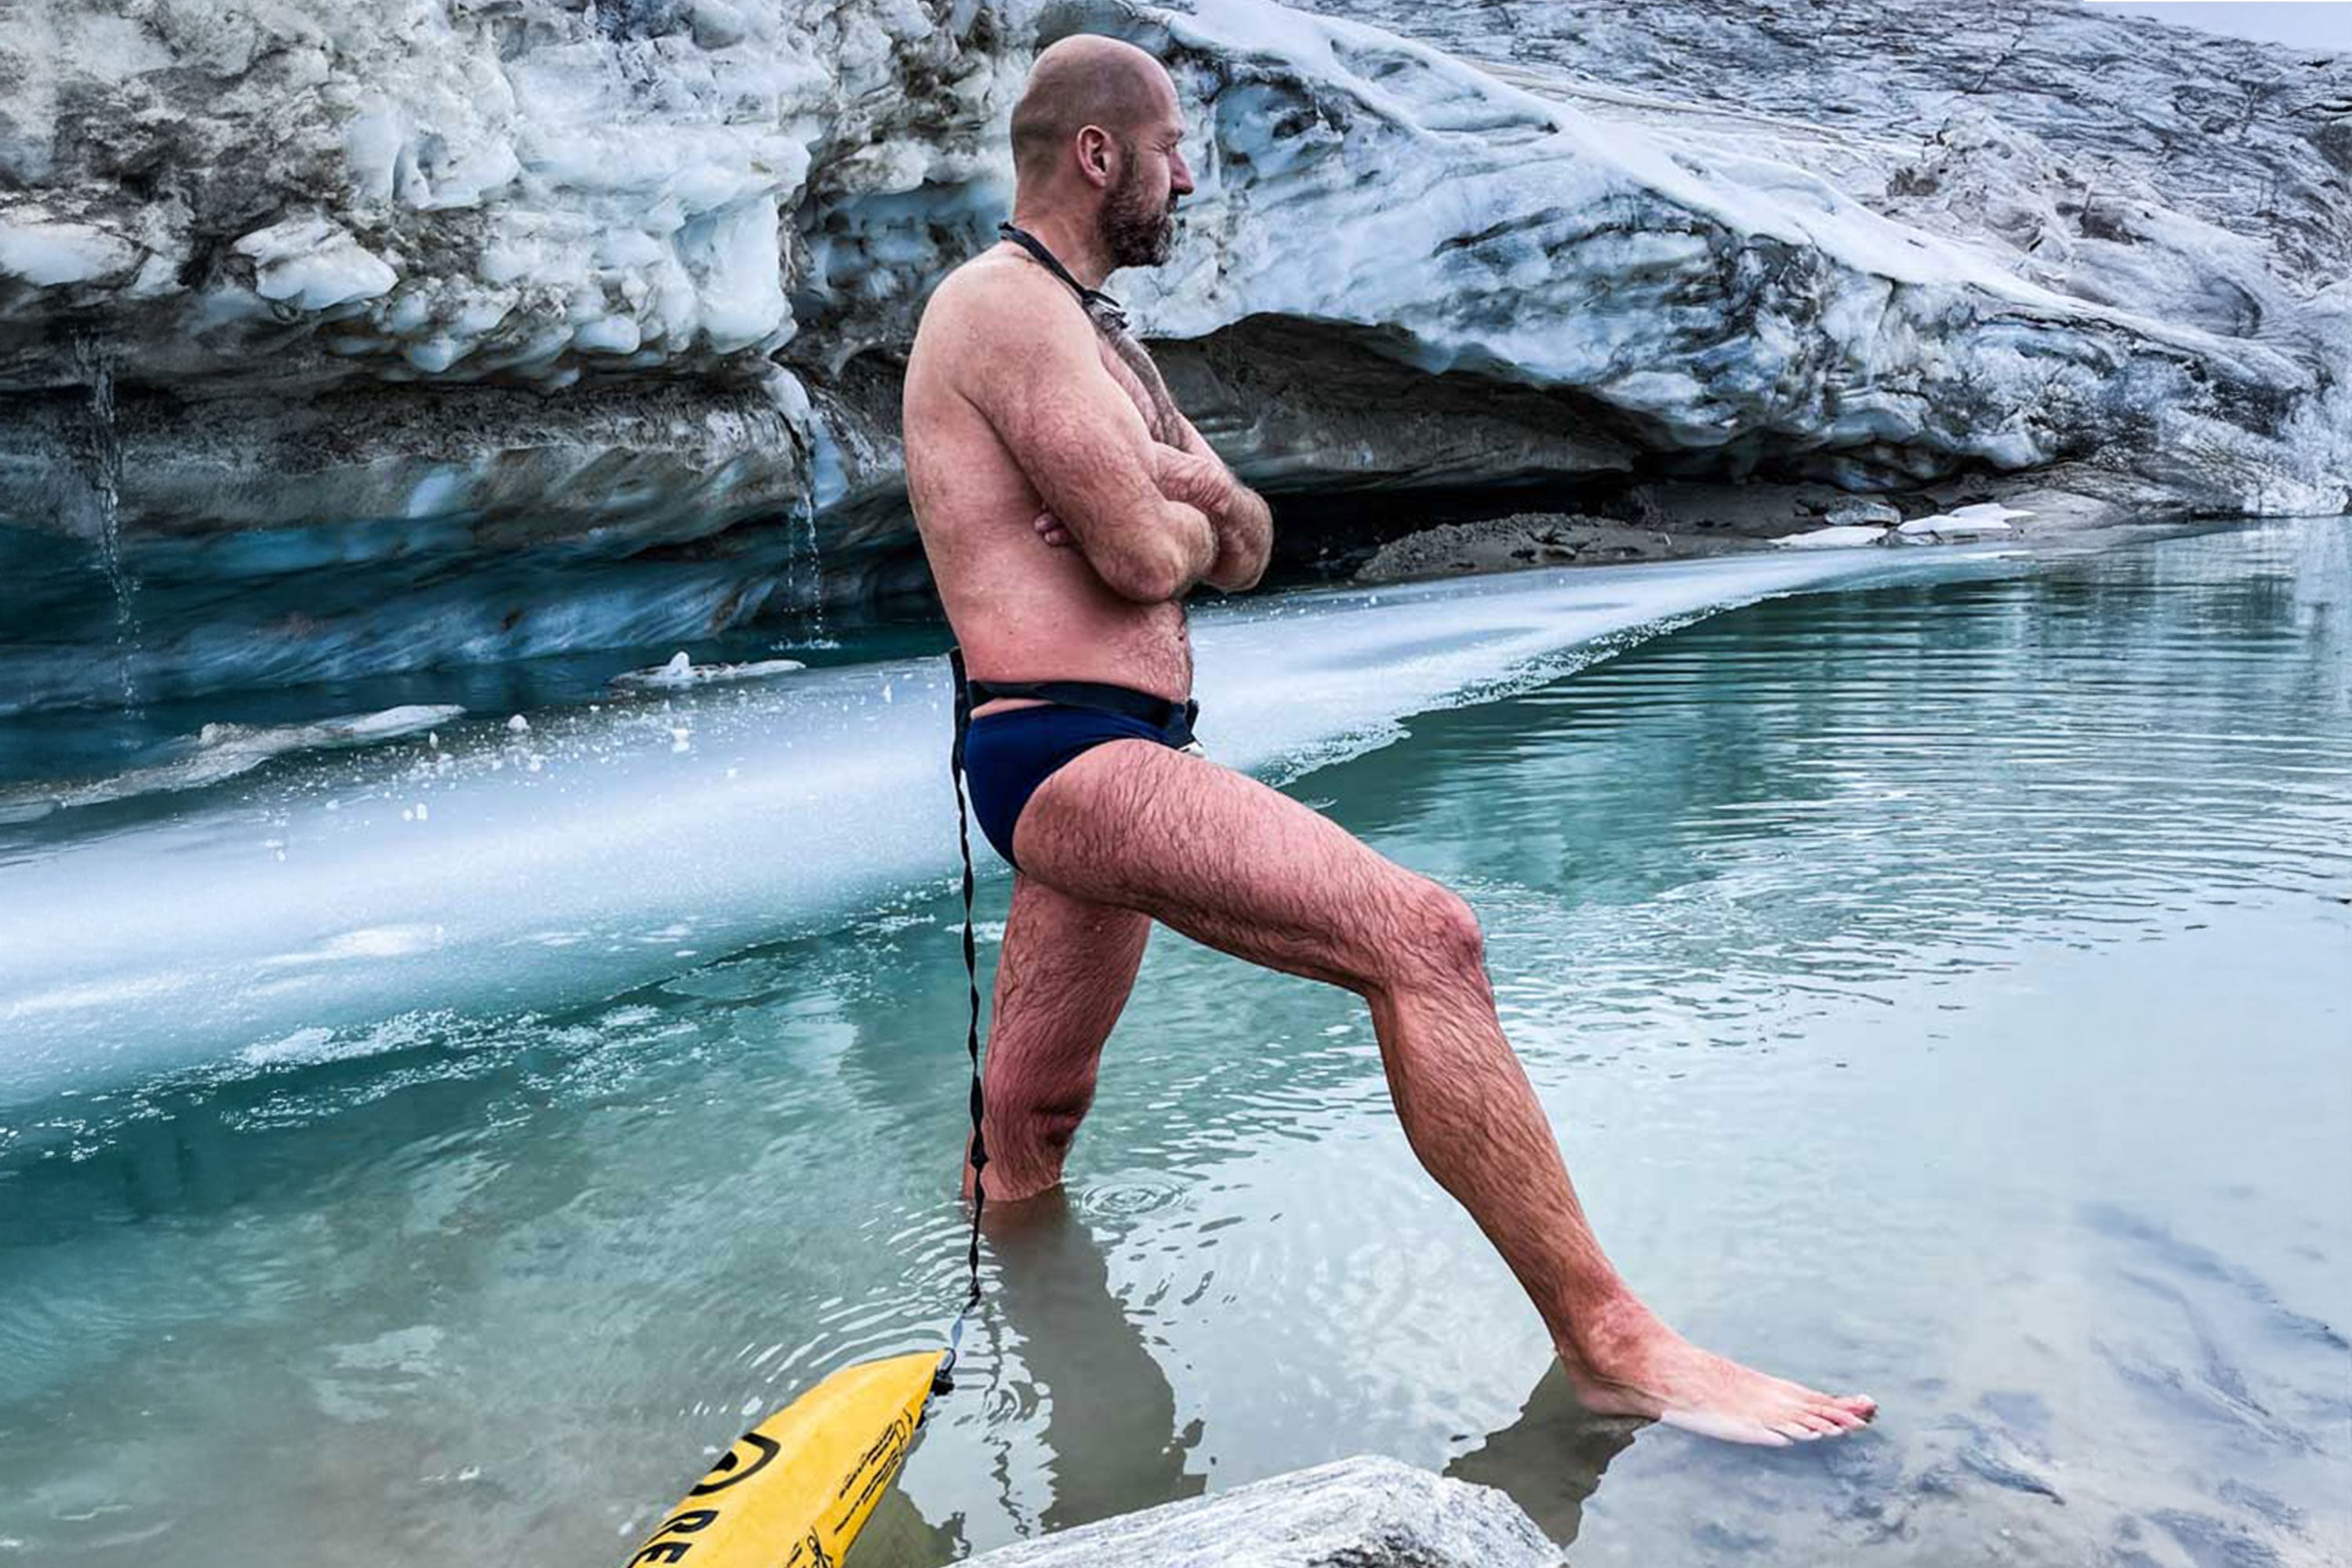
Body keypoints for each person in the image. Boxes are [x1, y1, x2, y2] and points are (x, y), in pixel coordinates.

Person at [900, 32, 1875, 1446]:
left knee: (1028, 1126)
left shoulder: (1100, 334)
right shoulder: (1003, 312)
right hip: (1061, 752)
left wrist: (1191, 500)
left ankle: (1040, 1386)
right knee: (1424, 940)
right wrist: (1179, 509)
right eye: (1171, 148)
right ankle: (1611, 1341)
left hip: (1117, 747)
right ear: (1098, 154)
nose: (1188, 176)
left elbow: (1244, 545)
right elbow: (1140, 557)